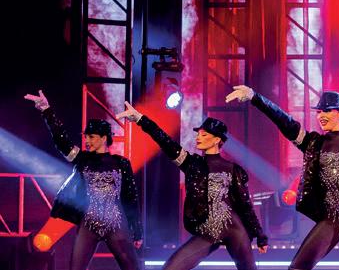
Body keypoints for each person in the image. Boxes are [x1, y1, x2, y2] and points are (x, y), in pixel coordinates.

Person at [225, 86, 339, 270]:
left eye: (327, 111)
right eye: (319, 112)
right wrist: (255, 97)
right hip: (334, 216)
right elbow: (285, 121)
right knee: (297, 267)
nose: (321, 115)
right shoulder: (313, 143)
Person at [115, 102, 267, 270]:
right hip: (209, 230)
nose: (198, 137)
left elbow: (245, 205)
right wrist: (140, 119)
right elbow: (165, 141)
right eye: (198, 134)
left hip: (235, 229)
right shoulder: (191, 164)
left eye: (204, 134)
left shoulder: (233, 170)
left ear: (217, 140)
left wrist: (260, 235)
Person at [25, 90, 142, 270]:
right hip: (88, 224)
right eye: (86, 136)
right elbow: (61, 141)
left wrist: (137, 230)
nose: (87, 140)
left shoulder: (121, 163)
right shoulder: (82, 159)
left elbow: (131, 197)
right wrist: (47, 111)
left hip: (116, 224)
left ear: (104, 138)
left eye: (91, 137)